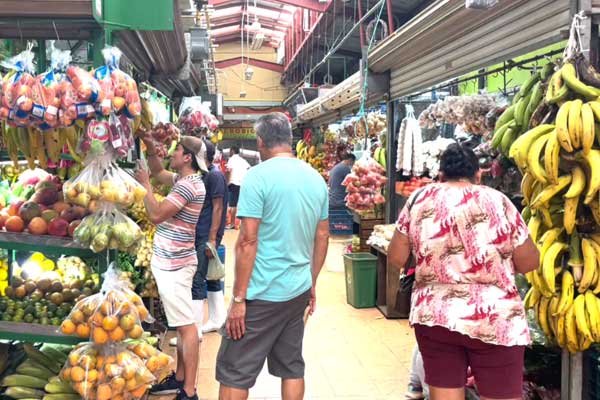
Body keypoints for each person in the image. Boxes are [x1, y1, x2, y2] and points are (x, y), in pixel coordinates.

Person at [387, 143, 539, 400]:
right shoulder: (498, 201)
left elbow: (397, 256)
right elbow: (528, 262)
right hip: (494, 318)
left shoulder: (419, 199)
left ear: (441, 176)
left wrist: (427, 254)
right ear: (478, 176)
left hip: (436, 315)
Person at [216, 113, 330, 400]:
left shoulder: (257, 176)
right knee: (291, 367)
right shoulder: (315, 179)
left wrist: (239, 299)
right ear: (290, 141)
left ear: (260, 141)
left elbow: (247, 240)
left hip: (261, 294)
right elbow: (323, 236)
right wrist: (312, 282)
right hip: (297, 292)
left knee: (234, 370)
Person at [135, 133, 208, 400]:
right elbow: (158, 170)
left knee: (187, 327)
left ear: (187, 157)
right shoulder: (185, 180)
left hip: (175, 266)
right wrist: (151, 148)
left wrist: (145, 186)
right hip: (175, 262)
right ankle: (179, 379)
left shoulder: (188, 187)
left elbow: (155, 215)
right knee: (181, 324)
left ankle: (189, 391)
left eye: (176, 150)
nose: (172, 153)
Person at [197, 140, 229, 334]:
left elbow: (218, 208)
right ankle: (218, 318)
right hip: (204, 232)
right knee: (210, 275)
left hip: (207, 233)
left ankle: (196, 329)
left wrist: (212, 239)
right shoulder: (207, 174)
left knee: (199, 278)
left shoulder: (214, 176)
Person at [226, 145, 250, 229]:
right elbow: (248, 169)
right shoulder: (243, 160)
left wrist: (228, 182)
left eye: (230, 151)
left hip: (233, 183)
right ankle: (240, 224)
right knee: (240, 204)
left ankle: (232, 224)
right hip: (242, 184)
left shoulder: (231, 159)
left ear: (232, 151)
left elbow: (229, 170)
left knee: (233, 205)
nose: (229, 152)